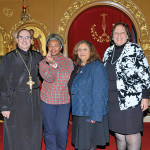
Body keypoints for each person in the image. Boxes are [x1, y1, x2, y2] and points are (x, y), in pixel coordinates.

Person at [103, 22, 150, 150]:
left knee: (131, 134)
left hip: (131, 100)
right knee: (118, 135)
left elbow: (145, 73)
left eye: (122, 32)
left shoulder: (135, 49)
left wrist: (145, 96)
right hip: (112, 100)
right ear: (112, 36)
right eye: (116, 32)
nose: (119, 35)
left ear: (128, 35)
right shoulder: (108, 51)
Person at [0, 29, 43, 150]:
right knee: (17, 134)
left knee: (34, 133)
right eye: (22, 37)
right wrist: (4, 107)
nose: (24, 40)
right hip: (15, 101)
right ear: (17, 39)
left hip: (34, 101)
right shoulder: (9, 57)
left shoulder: (37, 56)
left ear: (31, 41)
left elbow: (46, 75)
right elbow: (3, 82)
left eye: (27, 37)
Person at [68, 40, 109, 150]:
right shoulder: (77, 67)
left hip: (90, 113)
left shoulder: (97, 66)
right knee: (81, 144)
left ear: (91, 51)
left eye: (85, 49)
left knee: (88, 144)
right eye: (79, 49)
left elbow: (100, 93)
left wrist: (95, 116)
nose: (82, 52)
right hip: (78, 111)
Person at [39, 33, 74, 150]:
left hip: (64, 100)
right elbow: (50, 78)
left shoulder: (68, 61)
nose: (53, 48)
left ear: (61, 47)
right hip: (48, 100)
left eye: (56, 45)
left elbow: (73, 80)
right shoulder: (43, 63)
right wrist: (53, 64)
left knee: (62, 129)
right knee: (50, 129)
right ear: (47, 47)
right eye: (50, 45)